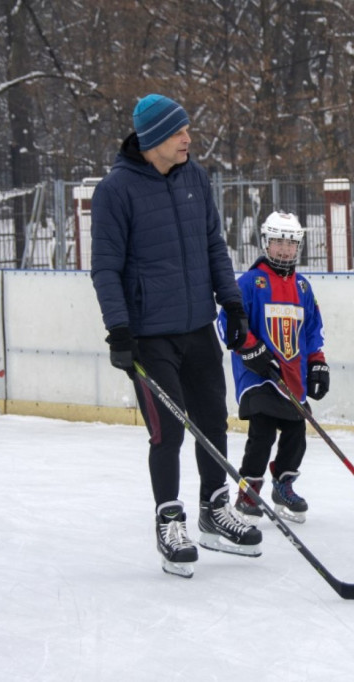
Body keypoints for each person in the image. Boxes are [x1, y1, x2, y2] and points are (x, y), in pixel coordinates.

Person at [91, 93, 262, 578]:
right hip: (148, 335)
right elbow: (105, 268)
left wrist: (231, 302)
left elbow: (213, 243)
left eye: (186, 129)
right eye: (178, 132)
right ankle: (170, 519)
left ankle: (214, 509)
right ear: (153, 140)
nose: (188, 138)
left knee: (213, 420)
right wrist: (119, 330)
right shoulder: (116, 191)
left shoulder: (195, 177)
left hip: (197, 325)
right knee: (167, 431)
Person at [216, 211, 329, 524]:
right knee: (262, 433)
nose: (284, 249)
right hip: (258, 377)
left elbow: (313, 331)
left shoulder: (303, 288)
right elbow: (226, 322)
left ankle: (284, 484)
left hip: (292, 377)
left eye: (290, 243)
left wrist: (317, 363)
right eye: (278, 241)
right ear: (266, 242)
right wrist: (250, 350)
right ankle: (248, 490)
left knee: (296, 435)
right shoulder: (251, 282)